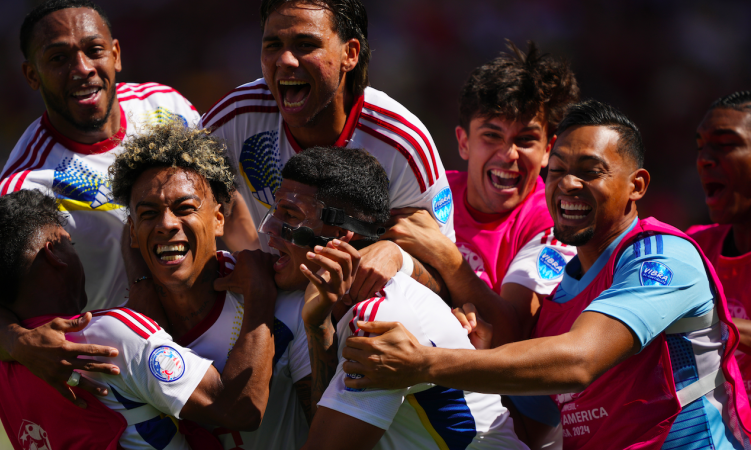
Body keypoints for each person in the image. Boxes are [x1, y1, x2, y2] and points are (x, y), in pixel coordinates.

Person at [341, 100, 751, 449]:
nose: (569, 184)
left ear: (637, 186)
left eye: (591, 171)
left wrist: (423, 363)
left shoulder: (662, 256)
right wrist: (472, 352)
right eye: (556, 171)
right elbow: (532, 430)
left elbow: (580, 360)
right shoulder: (560, 297)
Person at [0, 0, 204, 406]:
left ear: (116, 54)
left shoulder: (167, 106)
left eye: (93, 50)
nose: (82, 68)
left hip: (212, 328)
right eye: (58, 57)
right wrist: (21, 344)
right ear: (32, 75)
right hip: (128, 380)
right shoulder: (26, 184)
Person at [0, 189, 278, 449]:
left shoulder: (4, 367)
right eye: (71, 243)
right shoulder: (106, 333)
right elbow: (239, 409)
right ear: (53, 252)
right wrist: (260, 295)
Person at [257, 146, 528, 449]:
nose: (271, 231)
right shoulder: (342, 303)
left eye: (291, 216)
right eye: (276, 209)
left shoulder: (381, 316)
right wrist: (318, 326)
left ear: (340, 235)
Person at [384, 40, 579, 448]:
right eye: (492, 135)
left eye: (526, 139)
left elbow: (510, 330)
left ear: (548, 150)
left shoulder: (553, 225)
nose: (508, 154)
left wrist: (447, 259)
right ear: (463, 142)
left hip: (508, 420)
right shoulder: (430, 194)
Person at [200, 0, 453, 302]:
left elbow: (447, 279)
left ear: (351, 53)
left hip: (356, 315)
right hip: (263, 302)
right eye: (273, 44)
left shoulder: (401, 145)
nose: (285, 60)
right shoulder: (235, 117)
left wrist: (399, 257)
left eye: (306, 44)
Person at [109, 121, 312, 450]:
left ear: (219, 218)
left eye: (185, 208)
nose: (166, 224)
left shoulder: (285, 302)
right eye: (148, 214)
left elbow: (328, 432)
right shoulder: (125, 334)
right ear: (133, 232)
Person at [689, 91, 751, 400]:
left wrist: (710, 322)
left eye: (726, 145)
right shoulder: (693, 249)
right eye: (700, 147)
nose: (705, 159)